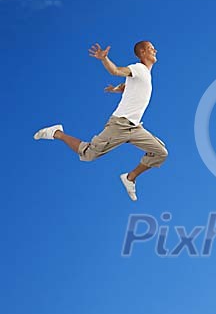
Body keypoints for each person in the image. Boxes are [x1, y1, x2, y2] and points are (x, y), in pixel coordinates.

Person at [33, 41, 168, 201]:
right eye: (151, 49)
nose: (155, 50)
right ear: (143, 53)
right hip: (120, 125)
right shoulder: (138, 68)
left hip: (135, 127)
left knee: (160, 152)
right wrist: (104, 59)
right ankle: (57, 133)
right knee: (89, 154)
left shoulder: (144, 74)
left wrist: (117, 89)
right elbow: (116, 70)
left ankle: (130, 178)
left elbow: (128, 85)